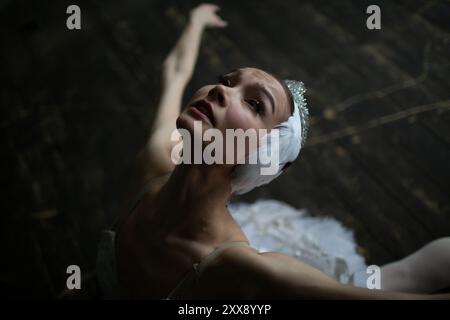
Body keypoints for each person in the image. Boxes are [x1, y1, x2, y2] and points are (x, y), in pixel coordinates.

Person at [96, 4, 450, 299]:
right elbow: (174, 72)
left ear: (262, 153)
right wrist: (197, 20)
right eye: (226, 80)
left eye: (254, 104)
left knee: (396, 279)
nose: (220, 90)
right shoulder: (154, 160)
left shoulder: (249, 271)